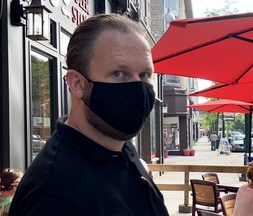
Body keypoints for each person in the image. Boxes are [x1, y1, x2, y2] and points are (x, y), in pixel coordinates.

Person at [9, 13, 168, 216]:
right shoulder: (53, 195)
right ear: (77, 83)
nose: (137, 87)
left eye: (144, 75)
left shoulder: (122, 148)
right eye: (119, 74)